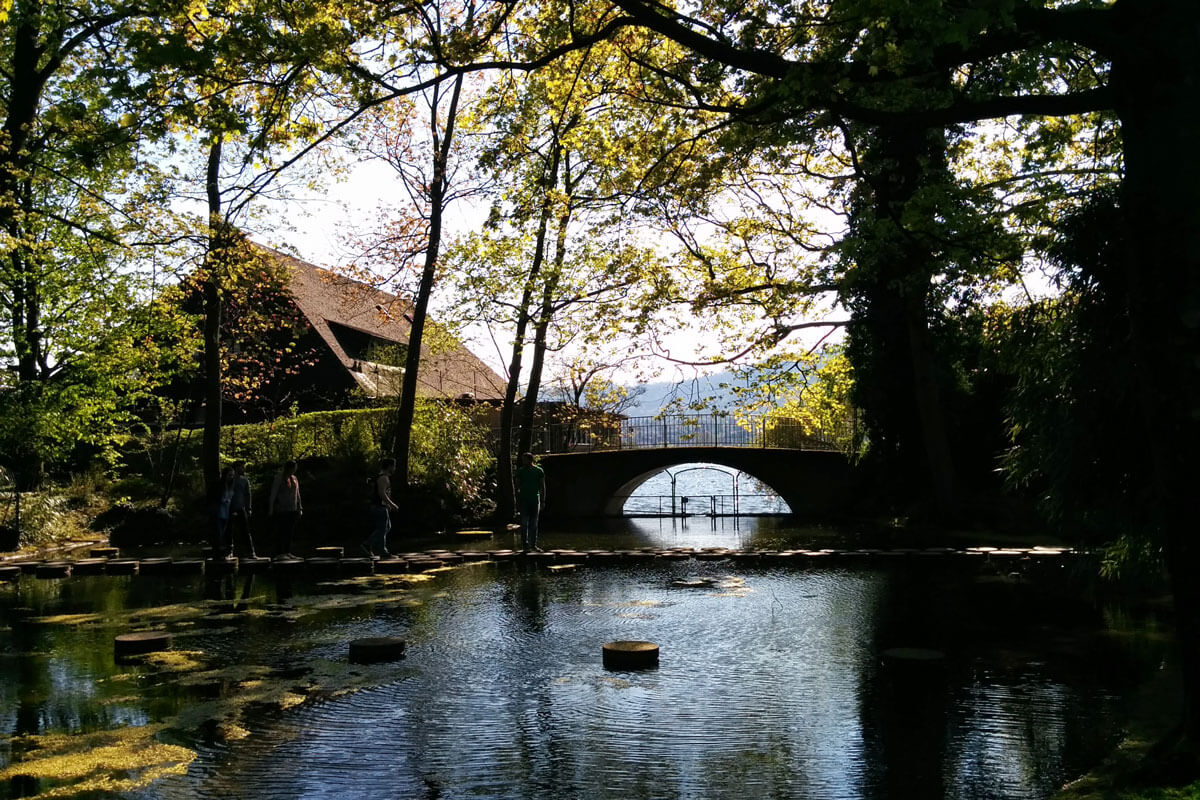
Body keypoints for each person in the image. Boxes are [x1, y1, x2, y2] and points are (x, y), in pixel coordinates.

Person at [362, 457, 399, 558]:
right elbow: (381, 493)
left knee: (386, 527)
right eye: (394, 466)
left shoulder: (384, 477)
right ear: (390, 466)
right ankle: (378, 549)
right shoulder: (383, 478)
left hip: (382, 507)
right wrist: (392, 504)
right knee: (382, 529)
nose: (395, 468)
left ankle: (373, 546)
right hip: (379, 508)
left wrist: (387, 505)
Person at [268, 459, 302, 559]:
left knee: (289, 531)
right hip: (281, 509)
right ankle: (280, 553)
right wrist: (271, 508)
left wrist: (300, 507)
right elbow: (273, 494)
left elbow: (298, 493)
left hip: (293, 508)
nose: (295, 470)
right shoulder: (279, 478)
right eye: (294, 468)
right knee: (281, 530)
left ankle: (287, 551)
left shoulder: (294, 478)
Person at [515, 452, 546, 552]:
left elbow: (542, 486)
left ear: (530, 460)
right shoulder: (520, 471)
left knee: (534, 523)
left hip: (535, 499)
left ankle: (533, 545)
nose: (523, 461)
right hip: (524, 499)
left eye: (525, 459)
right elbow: (517, 486)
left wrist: (543, 500)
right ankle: (525, 545)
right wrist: (517, 499)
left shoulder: (538, 471)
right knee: (524, 523)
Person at [226, 461, 257, 559]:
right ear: (236, 468)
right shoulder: (229, 480)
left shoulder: (245, 481)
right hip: (229, 508)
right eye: (241, 467)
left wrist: (249, 508)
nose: (243, 469)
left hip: (241, 508)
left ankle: (251, 552)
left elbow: (248, 495)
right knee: (229, 531)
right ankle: (229, 552)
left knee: (246, 531)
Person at [210, 466, 236, 556]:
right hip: (218, 512)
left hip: (226, 512)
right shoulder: (219, 485)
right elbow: (214, 498)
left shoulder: (231, 486)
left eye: (232, 475)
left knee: (224, 533)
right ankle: (217, 552)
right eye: (229, 475)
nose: (231, 477)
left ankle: (222, 552)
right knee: (218, 533)